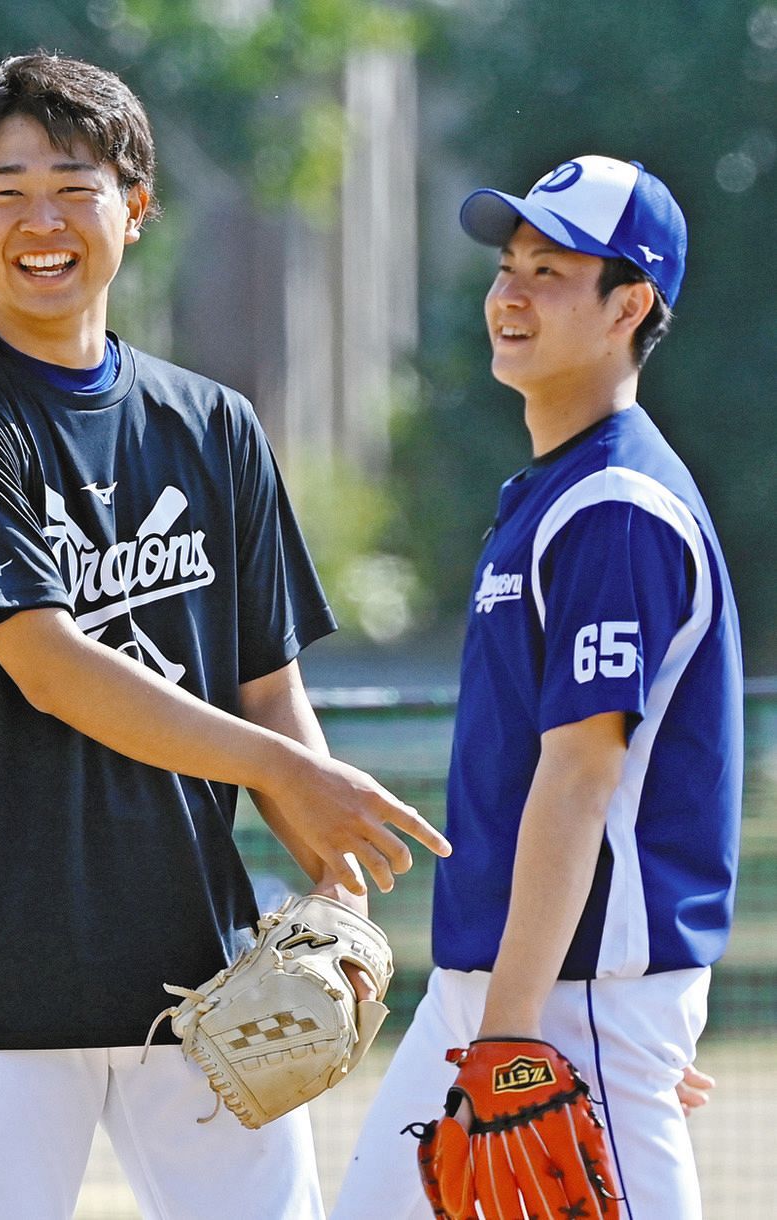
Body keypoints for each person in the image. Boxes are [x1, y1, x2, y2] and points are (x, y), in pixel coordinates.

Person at [0, 51, 450, 1220]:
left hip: (204, 977)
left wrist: (332, 881)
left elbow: (266, 685)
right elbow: (49, 664)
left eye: (73, 184)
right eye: (5, 189)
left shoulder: (212, 424)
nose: (41, 219)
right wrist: (294, 774)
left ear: (134, 206)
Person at [334, 155, 742, 1219]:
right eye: (506, 264)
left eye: (549, 269)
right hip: (503, 987)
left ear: (629, 305)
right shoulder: (552, 490)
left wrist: (517, 1040)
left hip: (568, 996)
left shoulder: (614, 501)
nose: (507, 292)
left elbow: (578, 778)